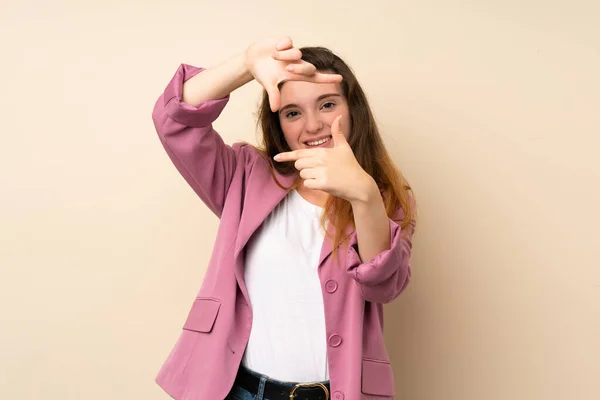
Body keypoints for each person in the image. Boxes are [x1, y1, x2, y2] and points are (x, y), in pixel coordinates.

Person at [151, 36, 417, 400]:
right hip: (241, 391)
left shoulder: (383, 197)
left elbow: (384, 286)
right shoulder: (245, 176)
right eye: (293, 112)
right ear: (279, 123)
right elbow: (173, 120)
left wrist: (365, 195)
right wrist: (247, 64)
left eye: (327, 105)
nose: (313, 126)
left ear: (353, 109)